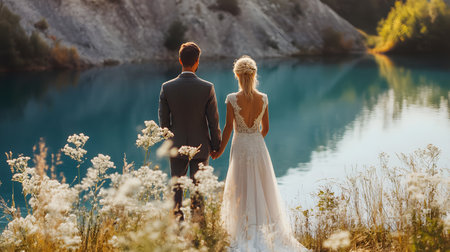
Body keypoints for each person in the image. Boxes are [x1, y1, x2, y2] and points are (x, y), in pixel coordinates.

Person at [211, 56, 308, 251]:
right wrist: (255, 139)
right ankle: (267, 233)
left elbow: (229, 128)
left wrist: (219, 151)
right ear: (254, 74)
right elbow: (266, 128)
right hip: (258, 147)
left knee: (241, 188)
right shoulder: (263, 98)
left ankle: (242, 231)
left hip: (239, 148)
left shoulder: (231, 98)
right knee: (263, 188)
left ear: (237, 75)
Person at [159, 42, 221, 221]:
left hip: (176, 146)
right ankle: (198, 224)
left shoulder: (167, 87)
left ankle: (177, 224)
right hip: (201, 147)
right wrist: (215, 146)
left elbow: (164, 123)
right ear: (197, 62)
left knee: (177, 188)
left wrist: (169, 143)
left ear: (180, 61)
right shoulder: (207, 87)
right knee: (198, 189)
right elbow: (213, 121)